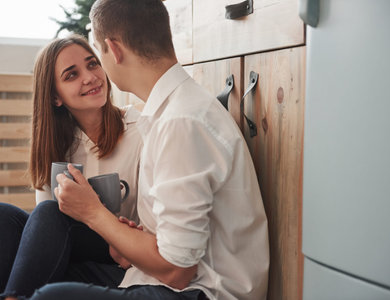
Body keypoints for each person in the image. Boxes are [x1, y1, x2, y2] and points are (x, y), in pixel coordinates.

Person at [29, 0, 270, 299]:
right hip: (156, 278)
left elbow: (176, 270)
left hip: (199, 292)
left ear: (113, 51)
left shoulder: (180, 122)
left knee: (50, 295)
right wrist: (131, 236)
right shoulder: (169, 113)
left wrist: (93, 213)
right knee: (26, 251)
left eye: (96, 56)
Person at [0, 34, 142, 300]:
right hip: (72, 244)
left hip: (123, 252)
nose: (89, 77)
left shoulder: (140, 129)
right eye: (71, 75)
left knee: (50, 211)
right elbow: (45, 229)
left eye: (93, 64)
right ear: (55, 97)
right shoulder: (58, 144)